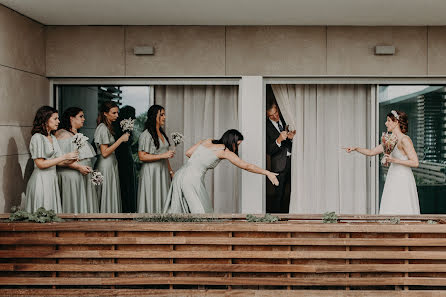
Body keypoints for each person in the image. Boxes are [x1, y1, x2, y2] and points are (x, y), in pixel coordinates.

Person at [163, 129, 279, 214]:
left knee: (185, 210)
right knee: (201, 212)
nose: (237, 148)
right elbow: (246, 166)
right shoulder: (224, 151)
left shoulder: (208, 141)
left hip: (181, 174)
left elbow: (188, 153)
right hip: (192, 179)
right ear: (232, 141)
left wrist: (201, 159)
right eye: (237, 144)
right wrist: (267, 172)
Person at [344, 110, 420, 214]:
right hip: (393, 175)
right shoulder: (390, 139)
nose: (386, 123)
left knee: (403, 204)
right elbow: (371, 152)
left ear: (396, 122)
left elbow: (415, 162)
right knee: (391, 203)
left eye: (388, 120)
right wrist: (356, 148)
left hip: (403, 177)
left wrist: (394, 160)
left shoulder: (405, 140)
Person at [25, 106, 78, 213]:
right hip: (41, 181)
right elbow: (40, 164)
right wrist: (64, 156)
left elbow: (60, 162)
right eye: (55, 119)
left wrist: (72, 158)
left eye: (58, 118)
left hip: (51, 180)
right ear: (45, 119)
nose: (58, 121)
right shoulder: (37, 137)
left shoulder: (53, 138)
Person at [56, 107, 98, 213]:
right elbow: (60, 159)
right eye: (81, 116)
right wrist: (79, 167)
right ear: (71, 118)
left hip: (83, 175)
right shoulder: (62, 134)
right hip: (72, 176)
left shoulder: (76, 134)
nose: (83, 119)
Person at [137, 105, 175, 213]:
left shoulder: (161, 132)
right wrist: (162, 156)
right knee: (152, 198)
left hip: (162, 171)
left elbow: (165, 156)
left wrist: (171, 172)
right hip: (151, 172)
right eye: (161, 115)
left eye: (164, 114)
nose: (164, 117)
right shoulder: (146, 135)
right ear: (154, 117)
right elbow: (141, 156)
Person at [94, 101, 129, 213]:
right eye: (114, 113)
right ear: (105, 113)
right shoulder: (102, 128)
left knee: (110, 191)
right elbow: (104, 153)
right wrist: (120, 140)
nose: (117, 115)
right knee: (106, 192)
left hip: (111, 163)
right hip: (105, 164)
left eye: (117, 113)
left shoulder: (108, 127)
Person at [266, 102, 295, 213]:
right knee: (279, 194)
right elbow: (268, 150)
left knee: (296, 190)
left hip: (294, 161)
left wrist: (291, 138)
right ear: (267, 116)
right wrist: (278, 140)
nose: (275, 116)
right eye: (271, 115)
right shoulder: (265, 127)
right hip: (279, 165)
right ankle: (277, 220)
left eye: (276, 112)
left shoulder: (286, 118)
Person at [113, 105, 137, 213]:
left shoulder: (124, 128)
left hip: (126, 159)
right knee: (125, 186)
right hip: (122, 160)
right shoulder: (118, 129)